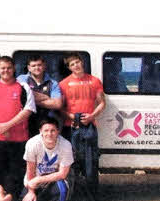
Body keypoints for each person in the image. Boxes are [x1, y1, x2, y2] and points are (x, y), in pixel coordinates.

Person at [0, 56, 35, 197]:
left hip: (18, 140)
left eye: (9, 67)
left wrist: (7, 126)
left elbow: (28, 110)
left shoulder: (23, 87)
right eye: (2, 68)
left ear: (14, 68)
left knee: (15, 175)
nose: (6, 71)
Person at [58, 52, 105, 195]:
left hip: (89, 126)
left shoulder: (95, 81)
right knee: (71, 161)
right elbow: (60, 107)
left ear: (82, 62)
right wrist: (72, 117)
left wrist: (92, 116)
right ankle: (73, 194)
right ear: (69, 67)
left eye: (77, 62)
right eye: (72, 64)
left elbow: (102, 103)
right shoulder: (63, 84)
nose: (76, 66)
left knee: (91, 162)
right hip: (71, 127)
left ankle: (92, 194)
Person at [21, 118, 74, 201]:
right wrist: (31, 191)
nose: (49, 134)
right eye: (46, 130)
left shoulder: (66, 145)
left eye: (53, 130)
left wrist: (39, 180)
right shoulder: (32, 143)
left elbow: (63, 174)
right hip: (34, 178)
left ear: (58, 131)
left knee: (62, 190)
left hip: (55, 179)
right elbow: (30, 171)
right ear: (40, 131)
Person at [16, 55, 63, 137]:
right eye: (33, 66)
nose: (37, 68)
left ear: (44, 66)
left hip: (45, 123)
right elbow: (21, 95)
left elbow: (57, 104)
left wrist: (30, 99)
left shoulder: (53, 83)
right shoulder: (22, 79)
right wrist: (47, 97)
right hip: (25, 121)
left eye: (39, 65)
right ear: (29, 68)